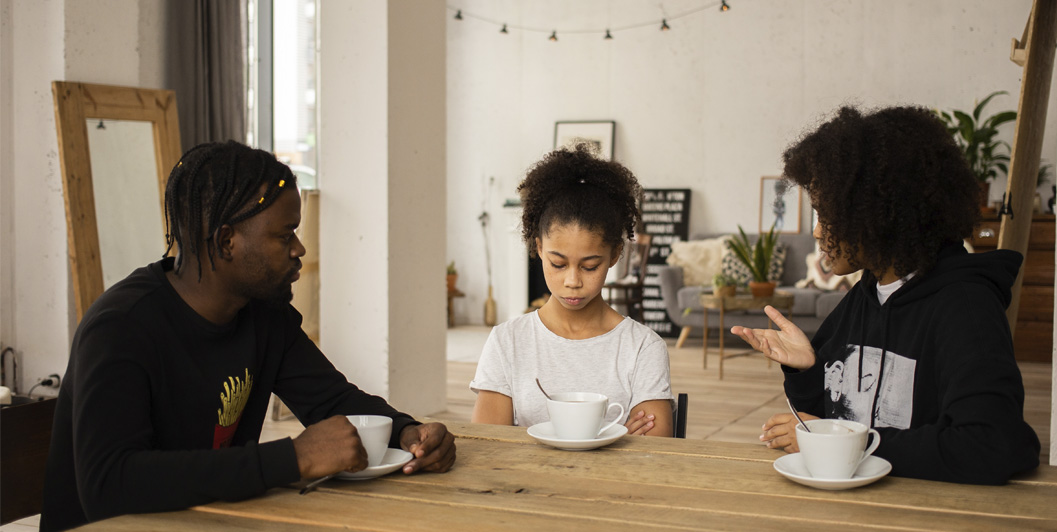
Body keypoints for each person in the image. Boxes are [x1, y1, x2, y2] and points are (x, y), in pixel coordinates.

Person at [41, 141, 457, 531]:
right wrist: (290, 458)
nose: (299, 249)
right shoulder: (121, 328)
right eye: (284, 234)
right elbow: (109, 485)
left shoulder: (263, 316)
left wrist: (407, 431)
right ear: (227, 241)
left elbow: (332, 400)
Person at [732, 106, 1040, 484]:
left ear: (877, 214)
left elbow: (991, 444)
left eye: (826, 214)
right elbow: (829, 417)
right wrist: (807, 369)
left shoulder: (965, 308)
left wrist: (851, 444)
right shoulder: (865, 296)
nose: (816, 232)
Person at [470, 145, 674, 437]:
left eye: (590, 266)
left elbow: (654, 453)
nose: (572, 281)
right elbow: (489, 445)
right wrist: (615, 437)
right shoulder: (507, 342)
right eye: (557, 263)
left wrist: (530, 435)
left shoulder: (642, 347)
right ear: (538, 248)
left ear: (616, 254)